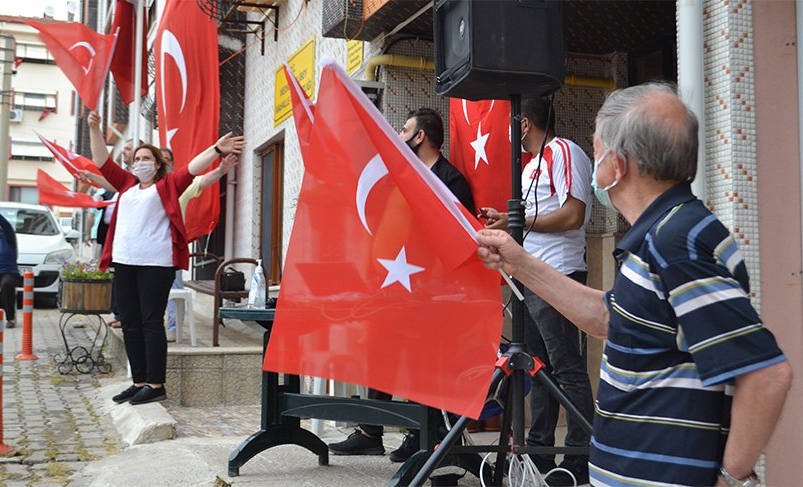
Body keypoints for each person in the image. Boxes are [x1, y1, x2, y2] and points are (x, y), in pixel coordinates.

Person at [476, 83, 792, 486]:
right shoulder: (660, 236)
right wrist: (518, 263)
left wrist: (729, 480)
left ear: (619, 164)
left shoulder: (678, 243)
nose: (592, 165)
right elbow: (605, 317)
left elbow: (766, 375)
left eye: (595, 150)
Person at [328, 108, 475, 462]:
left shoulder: (450, 180)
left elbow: (460, 238)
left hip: (434, 292)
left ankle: (419, 434)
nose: (399, 135)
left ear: (421, 136)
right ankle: (369, 432)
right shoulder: (400, 177)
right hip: (395, 282)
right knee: (381, 352)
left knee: (421, 363)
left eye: (405, 130)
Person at [83, 111, 245, 405]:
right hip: (124, 262)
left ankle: (156, 384)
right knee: (129, 322)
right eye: (136, 159)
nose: (140, 163)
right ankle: (139, 381)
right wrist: (95, 129)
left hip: (155, 264)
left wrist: (217, 150)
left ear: (157, 165)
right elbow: (102, 162)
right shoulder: (126, 186)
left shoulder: (167, 185)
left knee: (150, 322)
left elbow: (193, 170)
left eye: (147, 159)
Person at [481, 97, 594, 484]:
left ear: (525, 123)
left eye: (514, 123)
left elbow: (572, 214)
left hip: (558, 277)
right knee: (539, 368)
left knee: (565, 367)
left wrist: (523, 220)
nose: (511, 132)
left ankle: (583, 452)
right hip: (531, 278)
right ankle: (541, 450)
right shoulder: (530, 169)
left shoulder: (563, 150)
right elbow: (533, 220)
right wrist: (505, 221)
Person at [163, 148, 240, 342]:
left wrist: (221, 170)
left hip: (171, 248)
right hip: (146, 249)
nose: (163, 164)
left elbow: (202, 180)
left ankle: (173, 328)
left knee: (174, 290)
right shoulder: (144, 188)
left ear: (172, 164)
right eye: (160, 160)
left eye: (167, 160)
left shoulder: (178, 187)